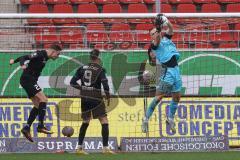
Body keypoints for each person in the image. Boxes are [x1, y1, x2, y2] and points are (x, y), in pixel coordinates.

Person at [9, 44, 62, 142]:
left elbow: (22, 57)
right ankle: (41, 126)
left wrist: (13, 61)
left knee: (38, 105)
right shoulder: (40, 54)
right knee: (44, 99)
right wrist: (21, 64)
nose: (57, 57)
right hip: (28, 79)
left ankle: (26, 128)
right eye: (57, 54)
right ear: (53, 51)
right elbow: (25, 57)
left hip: (29, 80)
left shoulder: (46, 57)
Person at [142, 14, 182, 134]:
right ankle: (146, 118)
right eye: (153, 33)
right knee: (158, 97)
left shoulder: (166, 39)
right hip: (168, 71)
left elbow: (171, 29)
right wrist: (159, 29)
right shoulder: (154, 45)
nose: (155, 34)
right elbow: (158, 39)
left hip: (176, 70)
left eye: (156, 32)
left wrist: (167, 21)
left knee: (177, 97)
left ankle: (170, 118)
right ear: (151, 37)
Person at [70, 49, 114, 154]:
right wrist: (108, 96)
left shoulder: (81, 68)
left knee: (85, 121)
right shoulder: (100, 69)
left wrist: (83, 89)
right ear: (98, 58)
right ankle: (105, 148)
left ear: (90, 57)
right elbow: (105, 84)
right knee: (104, 121)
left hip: (84, 97)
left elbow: (72, 82)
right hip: (96, 97)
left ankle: (79, 148)